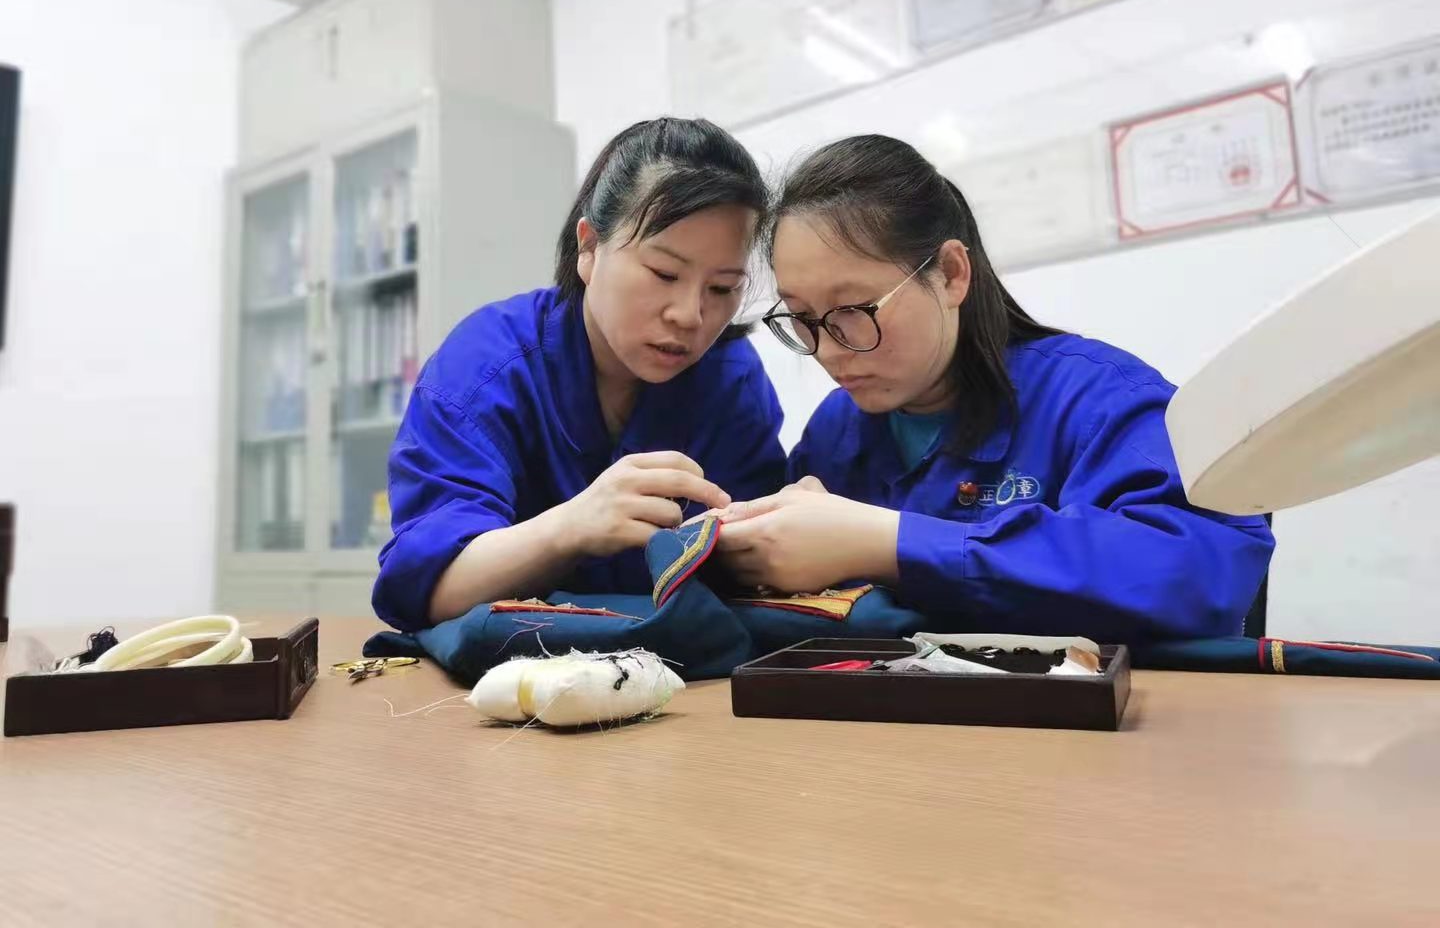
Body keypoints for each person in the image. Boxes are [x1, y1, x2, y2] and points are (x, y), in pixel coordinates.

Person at [715, 134, 1274, 640]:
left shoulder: (1095, 400)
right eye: (802, 318)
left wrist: (890, 542)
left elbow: (1203, 573)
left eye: (855, 309)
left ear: (951, 273)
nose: (829, 350)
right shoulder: (836, 431)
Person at [373, 118, 785, 632]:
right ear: (588, 248)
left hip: (685, 671)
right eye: (664, 273)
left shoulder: (729, 377)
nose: (690, 315)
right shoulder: (484, 368)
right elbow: (427, 590)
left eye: (722, 288)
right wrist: (570, 527)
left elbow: (757, 576)